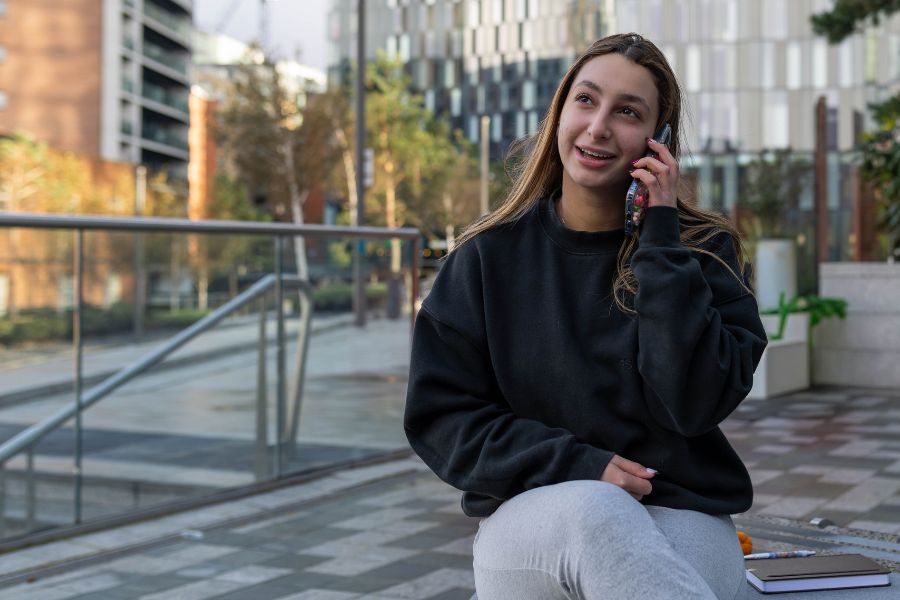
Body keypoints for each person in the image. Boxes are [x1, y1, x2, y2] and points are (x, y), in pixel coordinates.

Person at [404, 33, 767, 600]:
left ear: (658, 138)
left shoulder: (701, 253)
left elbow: (695, 402)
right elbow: (443, 419)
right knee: (597, 512)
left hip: (680, 511)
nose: (598, 127)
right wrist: (578, 464)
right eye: (586, 100)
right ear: (560, 112)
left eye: (627, 112)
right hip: (537, 516)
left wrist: (661, 240)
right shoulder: (485, 260)